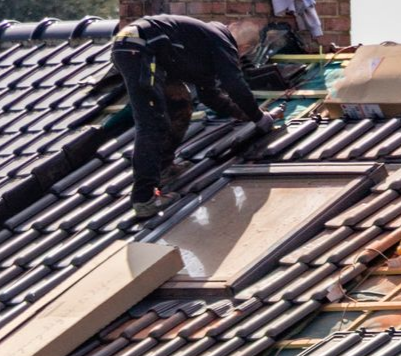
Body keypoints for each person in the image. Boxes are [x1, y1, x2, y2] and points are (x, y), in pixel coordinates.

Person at [112, 15, 280, 218]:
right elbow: (234, 84)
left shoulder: (200, 44)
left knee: (180, 103)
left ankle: (164, 168)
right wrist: (260, 118)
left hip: (137, 46)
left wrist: (246, 115)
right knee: (153, 123)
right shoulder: (222, 41)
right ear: (242, 48)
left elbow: (210, 96)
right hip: (140, 49)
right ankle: (144, 199)